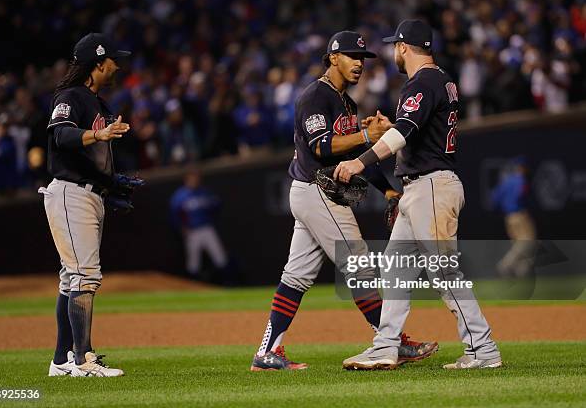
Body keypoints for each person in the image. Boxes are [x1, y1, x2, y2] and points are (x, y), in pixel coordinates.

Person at [251, 31, 438, 371]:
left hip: (313, 193)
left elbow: (354, 155)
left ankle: (268, 352)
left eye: (363, 59)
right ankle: (392, 341)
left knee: (296, 276)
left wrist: (388, 190)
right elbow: (321, 147)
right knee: (360, 267)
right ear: (333, 58)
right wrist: (368, 134)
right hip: (316, 191)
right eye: (352, 57)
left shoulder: (346, 102)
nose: (359, 65)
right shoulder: (315, 97)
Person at [336, 20, 502, 370]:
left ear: (403, 48)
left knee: (445, 274)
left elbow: (405, 133)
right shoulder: (440, 80)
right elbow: (409, 133)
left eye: (395, 45)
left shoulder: (424, 82)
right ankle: (385, 346)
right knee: (396, 270)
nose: (393, 51)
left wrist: (359, 161)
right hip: (420, 187)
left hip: (430, 186)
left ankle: (483, 350)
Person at [40, 33, 132, 377]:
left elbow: (93, 154)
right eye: (113, 60)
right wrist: (98, 135)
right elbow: (61, 135)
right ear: (98, 63)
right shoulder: (70, 97)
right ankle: (83, 360)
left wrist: (111, 182)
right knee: (84, 276)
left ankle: (62, 360)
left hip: (90, 194)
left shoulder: (98, 103)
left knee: (71, 280)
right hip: (70, 193)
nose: (117, 65)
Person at [169, 169, 229, 279]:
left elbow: (216, 206)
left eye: (196, 179)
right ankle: (192, 285)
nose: (195, 181)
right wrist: (181, 227)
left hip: (207, 228)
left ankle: (227, 282)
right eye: (192, 179)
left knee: (220, 257)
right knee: (193, 262)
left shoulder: (205, 192)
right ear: (186, 180)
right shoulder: (180, 195)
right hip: (192, 231)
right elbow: (174, 214)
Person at [491, 157, 537, 277]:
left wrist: (506, 205)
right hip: (519, 214)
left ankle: (522, 272)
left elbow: (495, 198)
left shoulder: (506, 181)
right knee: (528, 241)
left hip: (508, 217)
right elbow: (520, 194)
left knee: (518, 243)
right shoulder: (520, 180)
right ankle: (505, 265)